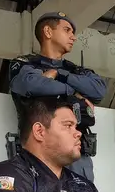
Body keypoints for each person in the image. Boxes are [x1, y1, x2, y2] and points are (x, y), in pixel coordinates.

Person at [8, 12, 107, 181]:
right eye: (67, 30)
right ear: (48, 31)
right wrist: (73, 92)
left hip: (76, 155)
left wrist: (59, 74)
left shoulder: (74, 69)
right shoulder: (25, 63)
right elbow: (30, 85)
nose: (73, 37)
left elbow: (99, 90)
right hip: (40, 153)